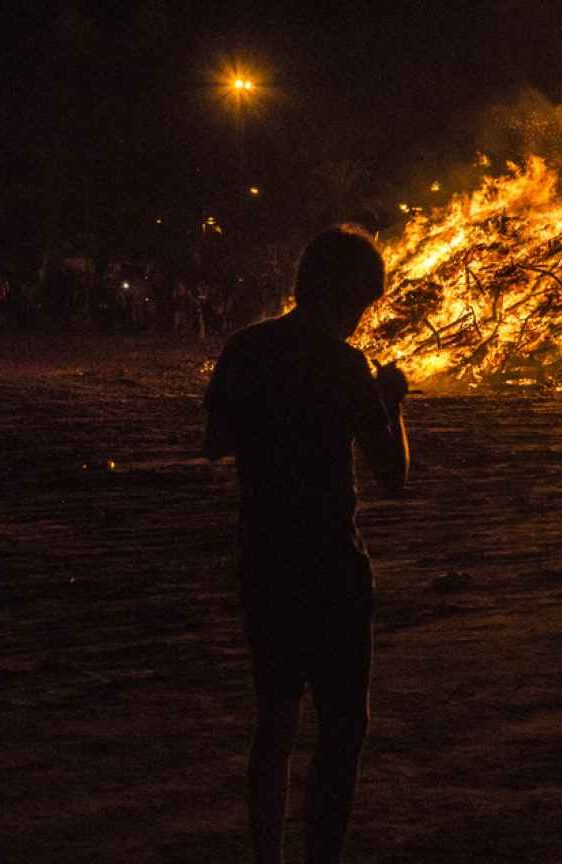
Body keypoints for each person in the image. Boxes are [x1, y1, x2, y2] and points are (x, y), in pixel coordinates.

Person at [204, 225, 410, 864]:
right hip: (331, 567)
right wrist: (391, 403)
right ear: (344, 294)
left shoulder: (245, 350)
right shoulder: (347, 367)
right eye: (360, 304)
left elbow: (215, 443)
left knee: (275, 725)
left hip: (265, 560)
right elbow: (393, 476)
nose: (359, 318)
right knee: (342, 731)